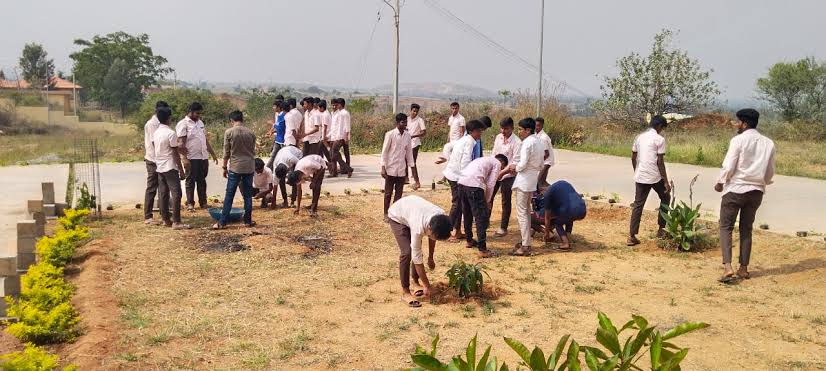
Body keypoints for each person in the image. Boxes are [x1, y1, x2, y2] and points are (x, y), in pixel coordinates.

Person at [715, 108, 775, 283]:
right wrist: (762, 183)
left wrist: (720, 182)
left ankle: (728, 267)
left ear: (744, 124)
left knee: (726, 227)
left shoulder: (738, 140)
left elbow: (729, 165)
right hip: (756, 192)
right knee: (746, 228)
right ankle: (743, 268)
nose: (736, 124)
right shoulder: (768, 143)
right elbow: (770, 171)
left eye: (737, 122)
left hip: (735, 190)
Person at [387, 195, 453, 308]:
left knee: (416, 249)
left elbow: (433, 238)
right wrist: (427, 286)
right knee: (407, 252)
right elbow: (417, 257)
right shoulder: (418, 227)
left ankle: (415, 282)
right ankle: (405, 292)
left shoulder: (440, 217)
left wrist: (430, 257)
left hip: (411, 210)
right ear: (430, 229)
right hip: (397, 215)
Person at [628, 115, 671, 246]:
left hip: (641, 175)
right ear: (659, 126)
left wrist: (637, 171)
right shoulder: (659, 139)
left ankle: (631, 236)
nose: (662, 131)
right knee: (665, 198)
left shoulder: (639, 137)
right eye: (662, 128)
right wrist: (666, 181)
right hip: (654, 176)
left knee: (638, 205)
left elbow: (633, 157)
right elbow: (660, 162)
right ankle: (661, 229)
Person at [458, 155, 510, 258]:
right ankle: (482, 249)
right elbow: (491, 184)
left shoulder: (483, 159)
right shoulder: (497, 163)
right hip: (474, 185)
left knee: (467, 213)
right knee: (480, 217)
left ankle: (469, 240)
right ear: (502, 163)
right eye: (502, 169)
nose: (501, 170)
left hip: (462, 183)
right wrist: (487, 200)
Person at [213, 111, 257, 229]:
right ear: (242, 119)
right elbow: (253, 150)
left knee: (229, 195)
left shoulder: (229, 132)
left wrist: (224, 167)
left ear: (231, 120)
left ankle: (222, 222)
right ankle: (247, 221)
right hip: (249, 166)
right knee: (247, 196)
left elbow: (226, 152)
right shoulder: (251, 133)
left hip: (235, 167)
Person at [509, 118, 545, 256]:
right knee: (526, 212)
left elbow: (522, 164)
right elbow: (541, 164)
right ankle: (526, 241)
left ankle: (525, 245)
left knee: (522, 213)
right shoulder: (539, 142)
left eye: (520, 129)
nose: (519, 132)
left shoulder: (527, 143)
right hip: (532, 180)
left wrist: (514, 167)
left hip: (524, 180)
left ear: (528, 130)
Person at [442, 120, 483, 241]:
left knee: (459, 204)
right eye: (478, 131)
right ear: (471, 131)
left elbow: (448, 146)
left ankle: (457, 231)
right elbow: (465, 163)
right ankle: (448, 232)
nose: (480, 134)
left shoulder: (465, 140)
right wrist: (467, 179)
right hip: (457, 177)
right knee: (457, 204)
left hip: (455, 174)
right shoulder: (469, 142)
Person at [176, 102, 219, 212]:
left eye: (200, 113)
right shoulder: (183, 124)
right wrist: (184, 159)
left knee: (202, 180)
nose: (199, 115)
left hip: (202, 157)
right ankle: (190, 203)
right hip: (191, 157)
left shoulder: (200, 122)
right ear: (190, 111)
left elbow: (204, 139)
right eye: (197, 113)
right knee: (190, 180)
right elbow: (181, 144)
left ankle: (203, 203)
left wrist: (212, 153)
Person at [152, 107, 189, 229]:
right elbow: (175, 153)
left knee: (163, 193)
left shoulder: (156, 132)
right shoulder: (170, 133)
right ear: (169, 118)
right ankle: (176, 222)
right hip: (170, 166)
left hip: (160, 166)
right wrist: (182, 170)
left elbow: (154, 145)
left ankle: (165, 220)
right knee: (176, 193)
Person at [491, 117, 522, 236]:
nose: (503, 131)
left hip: (508, 175)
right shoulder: (498, 137)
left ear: (512, 128)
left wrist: (502, 172)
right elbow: (494, 154)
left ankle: (503, 228)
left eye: (506, 129)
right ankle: (484, 221)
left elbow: (514, 162)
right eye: (502, 128)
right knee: (489, 197)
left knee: (505, 201)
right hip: (495, 172)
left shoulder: (517, 142)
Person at [381, 113, 415, 219]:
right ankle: (386, 213)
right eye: (402, 122)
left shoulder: (407, 135)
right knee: (388, 193)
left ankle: (394, 213)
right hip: (390, 168)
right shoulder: (390, 134)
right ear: (397, 123)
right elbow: (384, 152)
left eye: (406, 122)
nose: (405, 124)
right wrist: (383, 167)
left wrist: (411, 168)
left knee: (398, 194)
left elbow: (409, 152)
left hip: (401, 169)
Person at [541, 180, 587, 251]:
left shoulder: (547, 194)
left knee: (557, 223)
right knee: (568, 217)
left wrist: (547, 233)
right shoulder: (563, 183)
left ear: (542, 189)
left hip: (570, 210)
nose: (542, 196)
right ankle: (568, 236)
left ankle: (565, 243)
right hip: (582, 208)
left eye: (541, 194)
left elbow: (547, 217)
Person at [143, 100, 169, 225]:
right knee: (152, 187)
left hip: (161, 160)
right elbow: (155, 142)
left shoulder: (161, 123)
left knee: (163, 188)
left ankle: (165, 215)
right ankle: (148, 216)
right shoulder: (152, 124)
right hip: (153, 159)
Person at [329, 98, 352, 177]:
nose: (335, 106)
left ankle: (347, 168)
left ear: (340, 104)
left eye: (337, 104)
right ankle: (342, 169)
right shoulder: (338, 113)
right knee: (335, 153)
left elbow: (347, 126)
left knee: (334, 153)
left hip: (341, 136)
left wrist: (346, 137)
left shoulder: (344, 113)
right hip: (337, 136)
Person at [407, 103, 426, 189]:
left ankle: (417, 182)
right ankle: (406, 179)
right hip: (406, 143)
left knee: (412, 163)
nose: (415, 113)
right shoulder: (407, 119)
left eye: (416, 112)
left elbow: (424, 132)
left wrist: (414, 136)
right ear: (410, 110)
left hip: (415, 143)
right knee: (404, 161)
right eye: (414, 111)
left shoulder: (420, 120)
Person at [534, 117, 555, 188]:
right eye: (535, 125)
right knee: (543, 182)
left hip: (547, 161)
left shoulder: (543, 137)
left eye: (538, 125)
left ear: (542, 126)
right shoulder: (536, 135)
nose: (536, 127)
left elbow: (546, 154)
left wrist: (538, 162)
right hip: (544, 161)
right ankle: (553, 192)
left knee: (539, 181)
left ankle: (555, 192)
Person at [266, 100, 287, 170]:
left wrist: (272, 123)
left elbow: (280, 127)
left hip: (283, 140)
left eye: (274, 106)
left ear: (278, 107)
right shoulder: (279, 115)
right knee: (273, 155)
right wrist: (271, 132)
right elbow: (277, 127)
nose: (273, 107)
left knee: (284, 157)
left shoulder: (283, 115)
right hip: (278, 139)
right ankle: (268, 169)